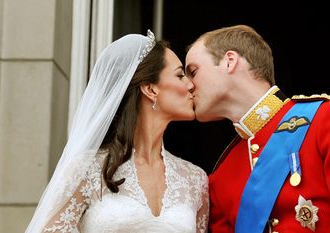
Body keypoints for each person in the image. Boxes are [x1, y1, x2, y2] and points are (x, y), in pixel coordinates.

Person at [185, 24, 330, 233]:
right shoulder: (221, 177)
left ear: (229, 61)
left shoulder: (328, 118)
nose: (188, 86)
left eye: (193, 72)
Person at [26, 30, 209, 233]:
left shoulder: (195, 180)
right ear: (150, 89)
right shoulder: (86, 169)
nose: (191, 85)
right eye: (180, 75)